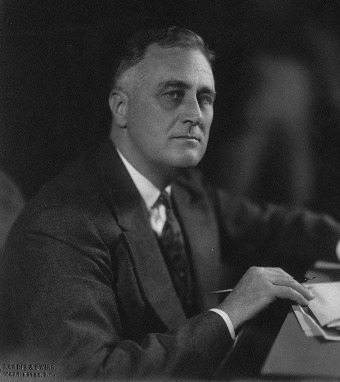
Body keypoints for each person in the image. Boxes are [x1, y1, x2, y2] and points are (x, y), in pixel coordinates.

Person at [0, 27, 339, 380]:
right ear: (121, 108)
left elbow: (267, 226)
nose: (195, 114)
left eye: (205, 98)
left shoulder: (183, 186)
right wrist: (229, 314)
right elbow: (92, 374)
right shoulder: (60, 228)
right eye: (174, 94)